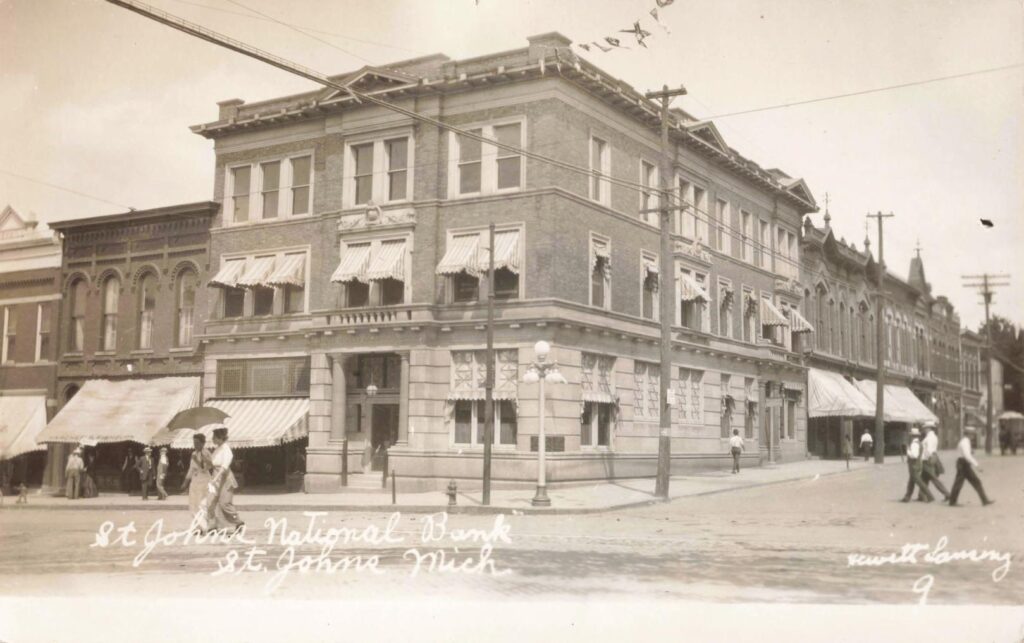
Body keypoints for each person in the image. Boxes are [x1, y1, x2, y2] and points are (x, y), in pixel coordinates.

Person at [208, 427, 244, 533]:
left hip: (223, 477)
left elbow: (224, 467)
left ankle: (238, 522)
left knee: (224, 503)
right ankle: (213, 525)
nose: (212, 439)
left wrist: (215, 478)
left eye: (214, 437)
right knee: (211, 502)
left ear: (220, 438)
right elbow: (212, 463)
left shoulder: (226, 449)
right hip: (215, 476)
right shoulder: (217, 449)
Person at [948, 426, 994, 507]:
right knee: (969, 482)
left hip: (962, 464)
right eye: (972, 434)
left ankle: (952, 501)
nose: (973, 436)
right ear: (968, 434)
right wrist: (977, 465)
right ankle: (984, 500)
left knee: (962, 483)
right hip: (963, 464)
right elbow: (967, 456)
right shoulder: (965, 442)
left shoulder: (965, 441)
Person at [181, 434, 214, 533]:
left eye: (198, 443)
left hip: (203, 480)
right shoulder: (194, 453)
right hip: (194, 481)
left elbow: (206, 467)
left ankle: (205, 527)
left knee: (201, 504)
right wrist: (185, 482)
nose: (195, 445)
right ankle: (197, 527)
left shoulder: (206, 453)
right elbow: (191, 469)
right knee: (193, 504)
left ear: (203, 443)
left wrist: (196, 459)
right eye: (194, 443)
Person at [917, 421, 950, 502]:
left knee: (933, 478)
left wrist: (926, 458)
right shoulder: (931, 436)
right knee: (924, 478)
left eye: (924, 428)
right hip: (928, 458)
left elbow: (929, 450)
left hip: (927, 459)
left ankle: (947, 494)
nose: (923, 430)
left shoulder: (930, 438)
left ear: (928, 428)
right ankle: (921, 495)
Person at [900, 427, 934, 503]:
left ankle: (930, 496)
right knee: (911, 482)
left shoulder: (914, 444)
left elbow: (914, 455)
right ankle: (907, 497)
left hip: (913, 465)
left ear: (912, 436)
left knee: (919, 482)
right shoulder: (919, 443)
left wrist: (907, 451)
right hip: (917, 464)